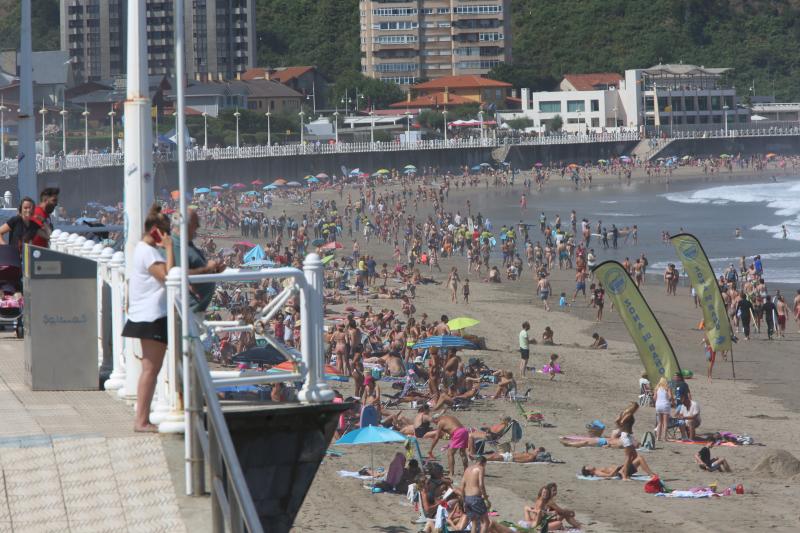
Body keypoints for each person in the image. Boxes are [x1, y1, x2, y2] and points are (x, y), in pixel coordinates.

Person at [121, 204, 174, 432]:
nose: (167, 235)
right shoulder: (148, 251)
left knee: (149, 369)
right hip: (150, 316)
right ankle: (141, 421)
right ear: (155, 230)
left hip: (146, 315)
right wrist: (169, 248)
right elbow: (166, 275)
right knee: (150, 370)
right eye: (165, 231)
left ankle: (142, 419)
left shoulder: (142, 249)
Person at [174, 209, 226, 312]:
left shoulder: (187, 244)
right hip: (186, 312)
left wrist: (214, 271)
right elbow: (178, 274)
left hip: (193, 310)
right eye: (196, 223)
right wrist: (208, 268)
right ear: (185, 224)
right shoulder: (176, 245)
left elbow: (194, 272)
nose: (198, 226)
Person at [461, 456, 490, 533]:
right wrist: (486, 498)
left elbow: (462, 485)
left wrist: (463, 500)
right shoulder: (480, 468)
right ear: (482, 463)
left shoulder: (467, 469)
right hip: (475, 498)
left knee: (474, 523)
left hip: (467, 498)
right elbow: (481, 484)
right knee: (485, 522)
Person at [615, 402, 638, 480]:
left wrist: (621, 428)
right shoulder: (629, 414)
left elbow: (617, 420)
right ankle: (624, 475)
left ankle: (623, 469)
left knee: (634, 455)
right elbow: (621, 422)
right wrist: (623, 428)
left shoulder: (623, 413)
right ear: (634, 408)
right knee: (628, 456)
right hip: (626, 435)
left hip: (627, 435)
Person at [580, 455, 656, 478]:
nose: (589, 466)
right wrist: (616, 469)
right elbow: (609, 475)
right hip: (621, 472)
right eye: (588, 467)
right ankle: (651, 474)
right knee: (639, 458)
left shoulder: (597, 470)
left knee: (635, 457)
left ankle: (650, 473)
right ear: (589, 471)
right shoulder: (597, 472)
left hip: (621, 469)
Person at [653, 377, 673, 441]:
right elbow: (670, 397)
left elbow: (654, 398)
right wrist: (668, 398)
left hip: (658, 405)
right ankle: (664, 437)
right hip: (665, 405)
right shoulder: (667, 388)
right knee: (665, 422)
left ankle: (658, 437)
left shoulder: (657, 388)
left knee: (660, 422)